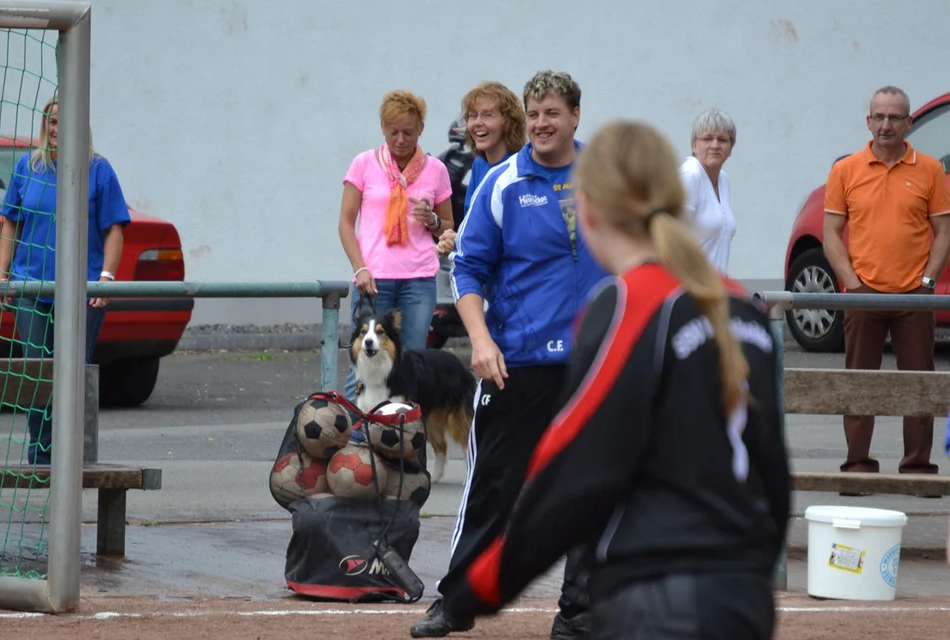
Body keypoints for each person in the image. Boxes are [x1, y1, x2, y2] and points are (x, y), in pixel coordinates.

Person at [436, 119, 791, 640]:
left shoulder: (627, 304)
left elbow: (574, 471)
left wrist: (481, 588)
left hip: (654, 593)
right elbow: (773, 475)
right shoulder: (744, 308)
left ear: (590, 208)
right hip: (741, 596)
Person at [410, 70, 608, 640]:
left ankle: (578, 615)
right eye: (535, 114)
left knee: (592, 487)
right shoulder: (501, 182)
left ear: (575, 116)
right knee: (495, 489)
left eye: (554, 113)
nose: (544, 124)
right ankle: (457, 602)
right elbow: (467, 267)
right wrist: (480, 339)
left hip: (594, 362)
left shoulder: (605, 176)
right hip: (515, 361)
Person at [0, 92, 131, 466]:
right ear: (44, 126)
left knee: (72, 372)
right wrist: (2, 274)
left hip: (81, 291)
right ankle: (40, 456)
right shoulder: (27, 167)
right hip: (31, 288)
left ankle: (73, 457)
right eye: (53, 122)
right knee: (38, 372)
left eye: (65, 121)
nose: (58, 129)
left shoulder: (98, 169)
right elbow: (10, 221)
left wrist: (104, 279)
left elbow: (115, 227)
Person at [823, 85, 950, 488]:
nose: (886, 125)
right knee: (859, 384)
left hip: (915, 296)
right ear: (868, 121)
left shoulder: (930, 170)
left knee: (918, 385)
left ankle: (917, 471)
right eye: (878, 116)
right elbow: (830, 234)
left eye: (895, 117)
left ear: (909, 123)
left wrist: (928, 282)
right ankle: (858, 468)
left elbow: (944, 231)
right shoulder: (846, 170)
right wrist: (852, 283)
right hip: (863, 294)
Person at [337, 89, 454, 401]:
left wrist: (431, 220)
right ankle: (356, 437)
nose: (401, 140)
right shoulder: (363, 164)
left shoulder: (436, 170)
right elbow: (346, 223)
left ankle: (407, 439)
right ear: (383, 129)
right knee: (364, 360)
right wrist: (359, 267)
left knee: (412, 360)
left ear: (421, 130)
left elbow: (449, 227)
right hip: (374, 280)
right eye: (394, 133)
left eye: (409, 133)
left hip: (419, 278)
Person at [434, 81, 526, 256]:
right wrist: (455, 240)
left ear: (508, 122)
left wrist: (464, 242)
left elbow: (513, 237)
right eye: (472, 115)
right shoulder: (479, 165)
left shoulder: (520, 169)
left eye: (487, 115)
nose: (477, 123)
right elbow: (472, 226)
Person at [679, 107, 738, 273]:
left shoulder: (723, 180)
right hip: (689, 287)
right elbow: (671, 238)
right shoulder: (690, 176)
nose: (715, 145)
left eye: (722, 140)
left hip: (716, 287)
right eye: (707, 139)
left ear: (731, 146)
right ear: (694, 145)